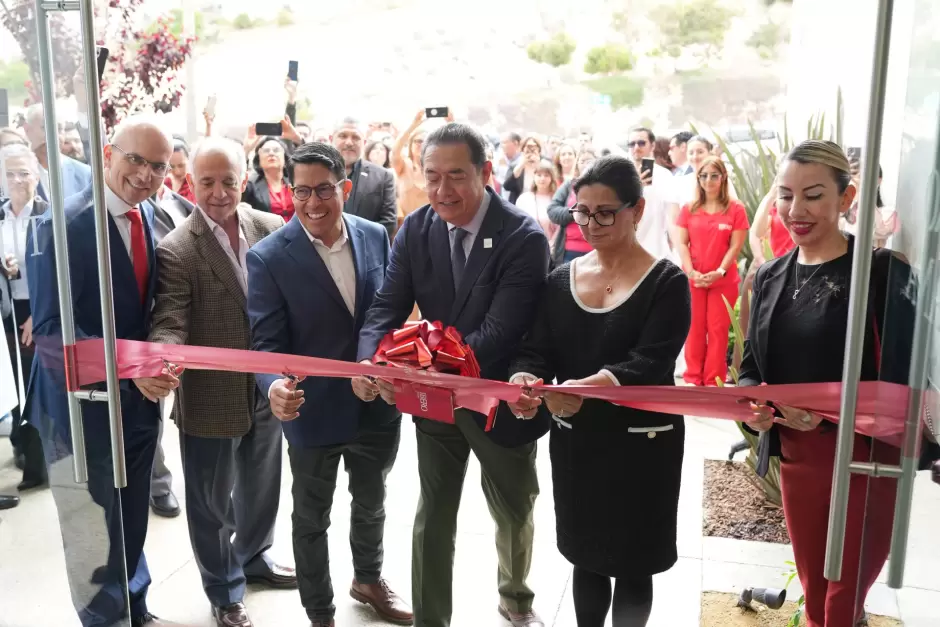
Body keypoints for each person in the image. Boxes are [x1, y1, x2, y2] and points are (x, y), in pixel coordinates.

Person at [353, 123, 551, 627]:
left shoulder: (522, 237)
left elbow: (501, 331)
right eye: (432, 176)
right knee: (433, 512)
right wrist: (370, 360)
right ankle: (431, 618)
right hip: (436, 402)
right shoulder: (416, 228)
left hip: (499, 400)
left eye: (456, 176)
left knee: (514, 509)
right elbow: (386, 305)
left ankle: (516, 597)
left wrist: (424, 368)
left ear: (485, 173)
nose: (442, 190)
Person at [739, 140, 936, 627]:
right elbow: (750, 368)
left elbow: (911, 376)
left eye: (813, 195)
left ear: (847, 198)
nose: (796, 210)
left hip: (865, 457)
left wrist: (832, 413)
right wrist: (760, 407)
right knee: (816, 590)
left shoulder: (883, 273)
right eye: (785, 195)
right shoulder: (770, 277)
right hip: (797, 457)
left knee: (841, 600)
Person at [508, 156, 691, 627]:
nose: (591, 224)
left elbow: (651, 361)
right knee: (585, 554)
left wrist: (587, 388)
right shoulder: (560, 280)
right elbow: (536, 351)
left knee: (634, 560)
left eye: (605, 213)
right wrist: (525, 380)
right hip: (579, 442)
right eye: (582, 213)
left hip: (643, 444)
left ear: (637, 210)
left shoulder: (666, 282)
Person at [248, 142, 411, 627]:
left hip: (376, 405)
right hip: (311, 409)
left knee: (372, 501)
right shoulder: (268, 257)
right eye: (302, 191)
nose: (313, 202)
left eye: (324, 190)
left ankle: (368, 579)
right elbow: (265, 344)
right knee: (311, 516)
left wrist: (384, 364)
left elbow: (387, 314)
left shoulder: (375, 235)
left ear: (346, 187)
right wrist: (273, 386)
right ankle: (319, 611)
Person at [28, 115, 177, 626]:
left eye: (158, 166)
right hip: (81, 406)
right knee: (94, 527)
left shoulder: (152, 217)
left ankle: (136, 606)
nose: (145, 174)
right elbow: (53, 334)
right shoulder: (63, 225)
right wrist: (131, 369)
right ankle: (104, 618)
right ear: (108, 154)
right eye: (135, 160)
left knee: (132, 514)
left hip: (139, 403)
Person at [146, 137, 293, 627]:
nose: (218, 193)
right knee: (211, 502)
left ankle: (254, 557)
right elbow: (169, 319)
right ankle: (225, 590)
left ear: (244, 178)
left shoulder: (270, 227)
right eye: (206, 182)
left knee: (262, 484)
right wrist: (164, 357)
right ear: (191, 182)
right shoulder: (177, 249)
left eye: (228, 181)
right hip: (210, 394)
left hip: (268, 389)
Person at [675, 156, 748, 387]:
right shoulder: (688, 209)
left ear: (723, 177)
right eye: (703, 176)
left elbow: (735, 246)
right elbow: (681, 244)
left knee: (718, 330)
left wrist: (720, 271)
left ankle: (713, 381)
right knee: (694, 329)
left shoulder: (736, 209)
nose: (708, 180)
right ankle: (693, 379)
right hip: (694, 279)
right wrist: (691, 272)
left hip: (723, 281)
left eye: (714, 175)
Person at [1, 144, 47, 491]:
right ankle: (21, 445)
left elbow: (61, 272)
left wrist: (38, 315)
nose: (17, 180)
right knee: (12, 385)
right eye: (10, 173)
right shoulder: (1, 216)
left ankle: (37, 467)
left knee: (35, 387)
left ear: (37, 176)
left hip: (40, 310)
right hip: (7, 309)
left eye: (24, 173)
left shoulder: (49, 216)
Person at [626, 127, 681, 262]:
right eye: (632, 144)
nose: (636, 147)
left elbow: (673, 218)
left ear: (652, 145)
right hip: (626, 253)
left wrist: (680, 254)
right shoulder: (619, 175)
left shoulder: (664, 175)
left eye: (641, 143)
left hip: (656, 254)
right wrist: (636, 187)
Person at [22, 103, 91, 202]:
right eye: (45, 128)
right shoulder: (14, 175)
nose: (53, 135)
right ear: (27, 129)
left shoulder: (85, 174)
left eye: (59, 129)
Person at [547, 149, 598, 265]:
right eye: (582, 161)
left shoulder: (605, 187)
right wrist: (573, 213)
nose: (586, 164)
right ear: (577, 164)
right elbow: (552, 210)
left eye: (589, 161)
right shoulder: (570, 185)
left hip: (596, 251)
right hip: (569, 252)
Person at [841, 165, 899, 248]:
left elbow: (872, 231)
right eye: (853, 176)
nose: (857, 182)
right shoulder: (842, 213)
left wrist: (863, 195)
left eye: (863, 177)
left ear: (878, 180)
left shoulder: (888, 214)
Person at [242, 136, 294, 221]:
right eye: (266, 150)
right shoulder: (251, 185)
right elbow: (237, 186)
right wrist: (246, 152)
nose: (271, 153)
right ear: (259, 159)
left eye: (276, 150)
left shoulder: (294, 180)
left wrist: (298, 140)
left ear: (284, 157)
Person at [515, 159, 559, 251]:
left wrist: (552, 243)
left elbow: (561, 226)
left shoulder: (557, 199)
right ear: (534, 176)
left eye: (546, 175)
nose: (542, 178)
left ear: (551, 178)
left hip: (552, 248)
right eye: (539, 175)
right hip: (528, 247)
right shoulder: (524, 199)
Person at [503, 135, 544, 205]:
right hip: (519, 204)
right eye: (528, 146)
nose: (531, 149)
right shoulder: (515, 166)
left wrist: (538, 165)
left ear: (539, 150)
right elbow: (507, 186)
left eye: (534, 146)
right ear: (523, 149)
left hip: (539, 203)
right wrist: (521, 165)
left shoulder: (545, 166)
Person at [164, 139, 196, 203]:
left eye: (181, 165)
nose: (177, 172)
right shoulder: (165, 183)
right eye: (172, 167)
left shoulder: (197, 184)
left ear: (189, 160)